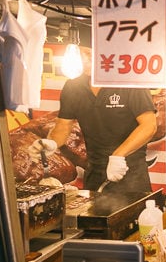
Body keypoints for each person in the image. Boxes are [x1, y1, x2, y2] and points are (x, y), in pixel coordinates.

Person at [29, 73, 157, 194]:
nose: (85, 60)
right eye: (82, 54)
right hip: (94, 172)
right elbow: (63, 125)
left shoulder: (129, 82)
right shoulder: (74, 86)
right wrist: (52, 142)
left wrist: (118, 155)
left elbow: (149, 126)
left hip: (131, 173)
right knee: (94, 216)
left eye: (89, 55)